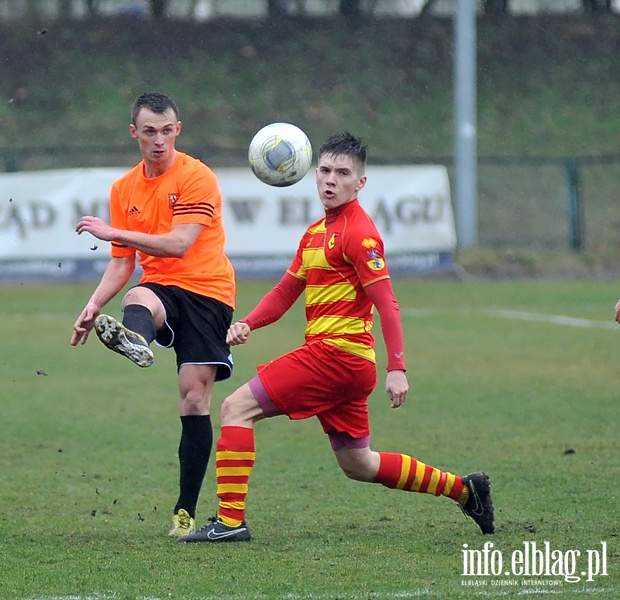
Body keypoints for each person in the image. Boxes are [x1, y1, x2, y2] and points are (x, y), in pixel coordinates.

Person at [178, 132, 494, 543]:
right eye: (325, 170)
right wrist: (248, 323)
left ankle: (230, 522)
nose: (330, 179)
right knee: (358, 463)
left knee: (237, 408)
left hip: (336, 356)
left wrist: (397, 367)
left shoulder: (360, 235)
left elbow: (388, 305)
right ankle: (465, 489)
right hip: (343, 363)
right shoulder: (314, 233)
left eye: (342, 173)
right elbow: (284, 293)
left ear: (360, 182)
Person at [70, 92, 236, 538]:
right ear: (134, 134)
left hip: (207, 292)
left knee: (194, 399)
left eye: (167, 131)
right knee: (139, 297)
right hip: (161, 288)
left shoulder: (197, 177)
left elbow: (180, 244)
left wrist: (113, 231)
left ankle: (185, 512)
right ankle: (137, 340)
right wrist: (93, 304)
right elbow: (123, 261)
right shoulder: (124, 188)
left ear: (177, 130)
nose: (159, 141)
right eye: (150, 132)